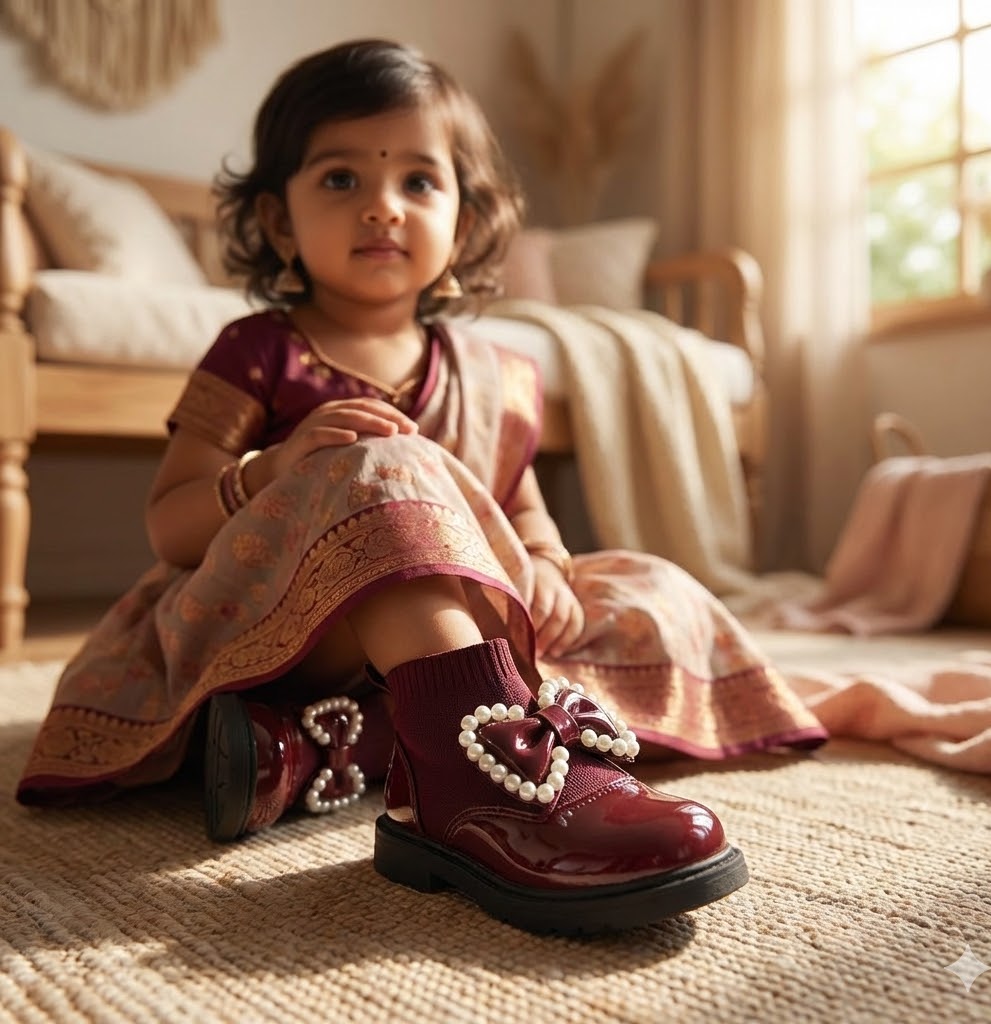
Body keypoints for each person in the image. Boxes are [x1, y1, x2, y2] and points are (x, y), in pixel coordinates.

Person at [16, 39, 826, 935]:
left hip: (433, 636)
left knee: (643, 585)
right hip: (284, 624)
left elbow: (515, 508)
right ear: (280, 223)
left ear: (466, 224)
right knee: (385, 469)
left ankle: (337, 747)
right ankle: (479, 781)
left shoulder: (501, 372)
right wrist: (275, 473)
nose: (381, 208)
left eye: (418, 182)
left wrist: (549, 566)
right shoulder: (258, 351)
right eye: (339, 180)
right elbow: (170, 525)